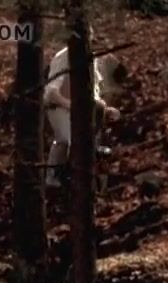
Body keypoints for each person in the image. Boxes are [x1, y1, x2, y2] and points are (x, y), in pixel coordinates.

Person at [43, 43, 125, 189]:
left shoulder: (92, 59)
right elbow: (51, 93)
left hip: (80, 111)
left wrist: (106, 110)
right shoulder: (64, 57)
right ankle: (56, 178)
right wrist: (72, 106)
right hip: (59, 108)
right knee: (69, 141)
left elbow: (92, 94)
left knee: (97, 116)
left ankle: (88, 177)